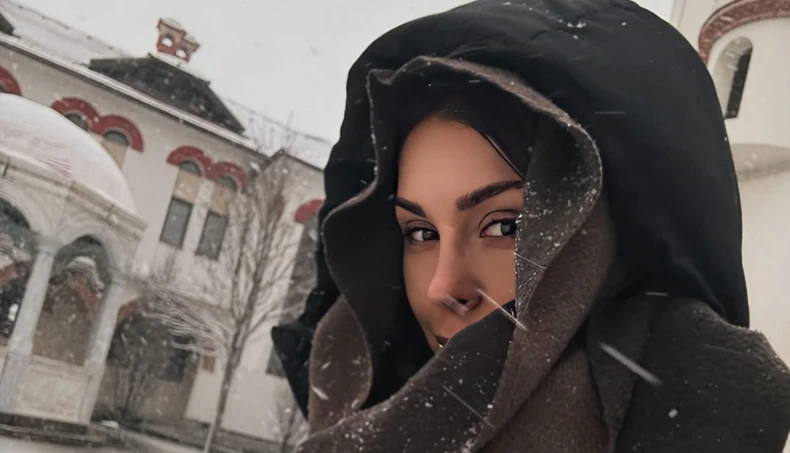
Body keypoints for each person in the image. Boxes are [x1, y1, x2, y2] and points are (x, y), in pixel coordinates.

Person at [272, 0, 790, 451]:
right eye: (421, 233)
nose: (442, 287)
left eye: (503, 226)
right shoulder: (350, 400)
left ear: (607, 246)